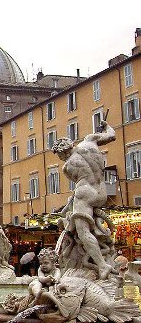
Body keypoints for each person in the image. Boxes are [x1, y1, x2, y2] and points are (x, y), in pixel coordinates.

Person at [52, 120, 116, 280]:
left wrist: (68, 206)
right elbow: (111, 135)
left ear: (61, 153)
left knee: (82, 230)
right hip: (102, 191)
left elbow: (78, 185)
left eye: (59, 156)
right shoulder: (90, 140)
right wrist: (106, 125)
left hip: (85, 194)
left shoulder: (66, 166)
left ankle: (102, 265)